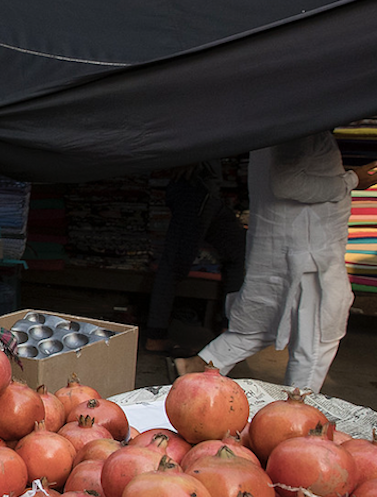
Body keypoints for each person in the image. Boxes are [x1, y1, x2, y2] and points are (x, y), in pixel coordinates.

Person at [174, 134, 377, 390]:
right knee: (314, 343)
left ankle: (196, 367)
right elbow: (287, 184)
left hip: (288, 248)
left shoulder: (281, 118)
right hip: (309, 257)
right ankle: (294, 415)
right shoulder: (305, 123)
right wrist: (353, 180)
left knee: (260, 326)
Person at [145, 161, 246, 356]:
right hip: (195, 186)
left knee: (239, 250)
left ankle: (230, 329)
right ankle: (155, 336)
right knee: (175, 263)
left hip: (208, 188)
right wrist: (189, 156)